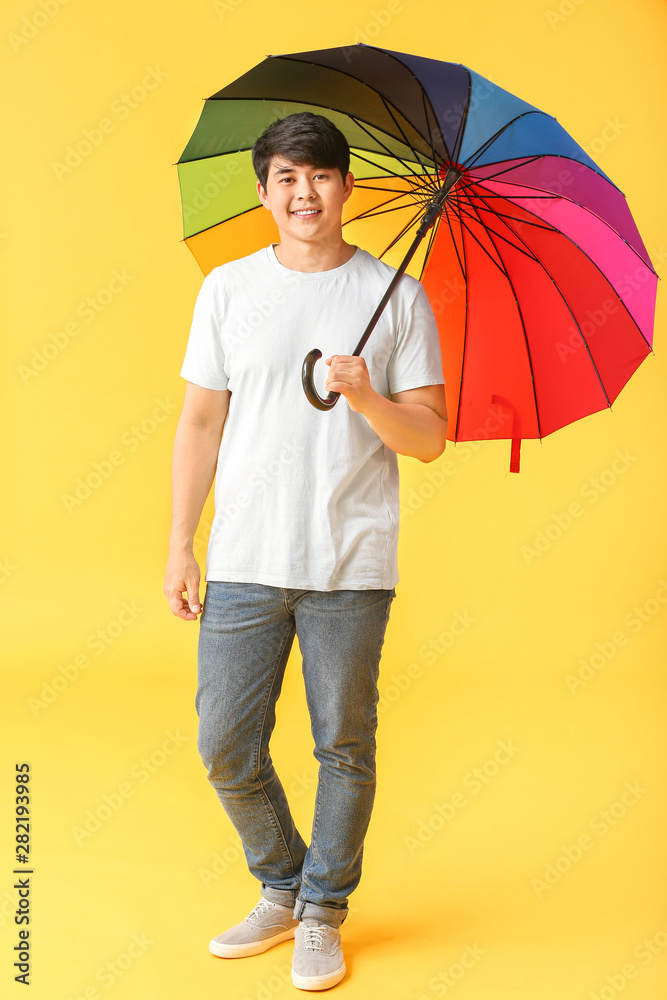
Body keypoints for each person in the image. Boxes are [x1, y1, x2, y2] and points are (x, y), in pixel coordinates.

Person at [164, 111, 447, 992]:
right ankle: (281, 882)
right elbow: (200, 420)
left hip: (349, 564)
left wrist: (366, 397)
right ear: (263, 191)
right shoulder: (226, 289)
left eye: (320, 176)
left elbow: (430, 437)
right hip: (247, 554)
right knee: (225, 744)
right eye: (286, 177)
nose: (303, 192)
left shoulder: (394, 297)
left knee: (343, 746)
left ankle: (322, 909)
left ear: (345, 188)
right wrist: (181, 542)